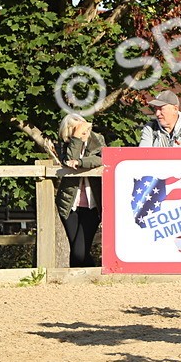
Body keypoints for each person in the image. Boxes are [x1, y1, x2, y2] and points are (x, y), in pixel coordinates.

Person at [56, 113, 106, 267]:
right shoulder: (66, 143)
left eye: (83, 129)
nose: (82, 133)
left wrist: (80, 162)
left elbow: (101, 158)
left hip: (92, 205)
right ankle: (80, 286)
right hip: (70, 204)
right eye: (76, 130)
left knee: (80, 252)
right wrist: (76, 139)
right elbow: (68, 160)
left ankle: (92, 278)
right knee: (76, 252)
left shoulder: (98, 140)